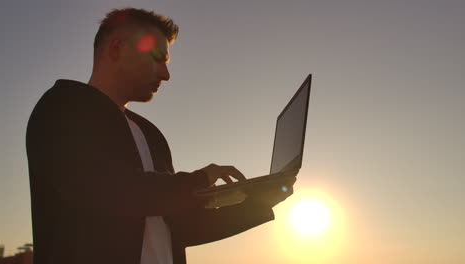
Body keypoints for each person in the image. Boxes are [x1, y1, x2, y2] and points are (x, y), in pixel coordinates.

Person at [25, 7, 296, 264]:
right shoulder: (62, 105)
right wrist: (199, 180)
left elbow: (180, 226)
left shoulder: (150, 135)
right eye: (157, 59)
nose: (165, 74)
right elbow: (106, 190)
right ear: (116, 49)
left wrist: (259, 204)